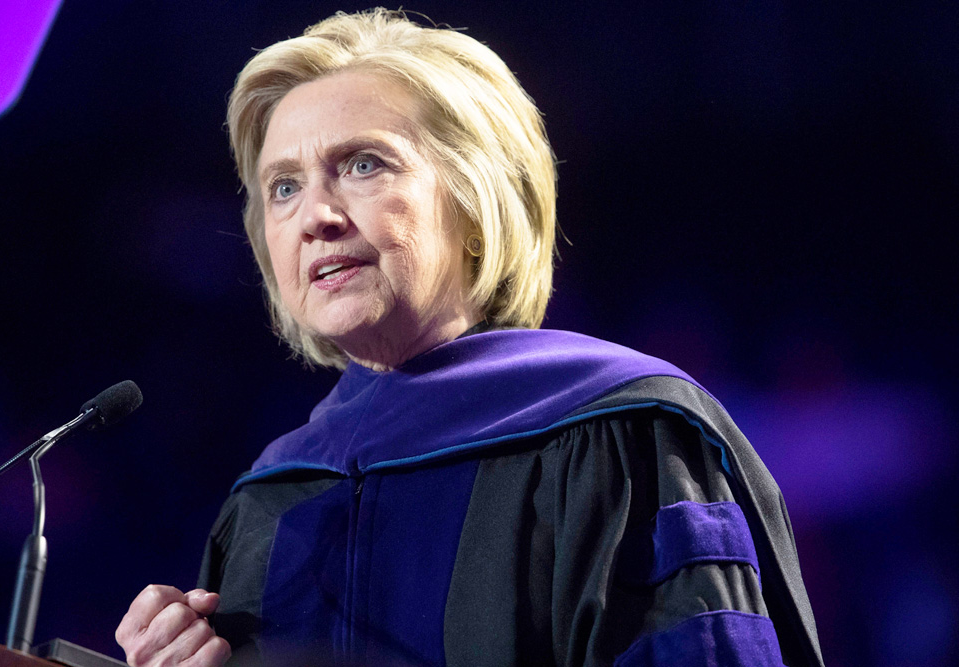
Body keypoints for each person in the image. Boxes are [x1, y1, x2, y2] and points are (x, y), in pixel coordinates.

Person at [115, 9, 824, 667]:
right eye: (283, 186)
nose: (316, 215)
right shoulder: (268, 500)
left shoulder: (622, 434)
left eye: (364, 164)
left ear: (475, 199)